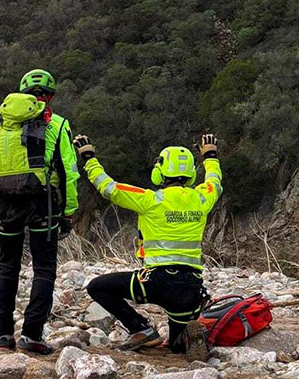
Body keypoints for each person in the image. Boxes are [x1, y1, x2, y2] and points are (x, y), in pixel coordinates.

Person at [72, 133, 222, 361]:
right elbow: (214, 181)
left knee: (98, 287)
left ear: (161, 171)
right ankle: (185, 338)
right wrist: (210, 155)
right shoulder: (202, 199)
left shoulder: (150, 199)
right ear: (190, 173)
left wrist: (89, 158)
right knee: (175, 345)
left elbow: (108, 188)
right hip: (190, 287)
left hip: (155, 282)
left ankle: (140, 328)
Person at [0, 69, 79, 355]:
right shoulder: (58, 124)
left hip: (5, 202)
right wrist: (69, 210)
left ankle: (2, 334)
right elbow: (69, 173)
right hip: (43, 203)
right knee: (44, 269)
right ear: (49, 96)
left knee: (8, 266)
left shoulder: (1, 124)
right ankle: (32, 334)